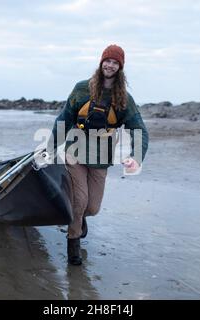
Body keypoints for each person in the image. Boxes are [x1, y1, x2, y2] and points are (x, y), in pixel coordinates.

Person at [48, 44, 149, 265]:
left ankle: (81, 218)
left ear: (120, 67)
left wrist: (136, 156)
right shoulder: (82, 89)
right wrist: (50, 148)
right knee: (79, 201)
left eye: (115, 62)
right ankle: (73, 246)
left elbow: (139, 129)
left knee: (92, 207)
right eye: (107, 61)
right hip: (75, 152)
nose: (110, 65)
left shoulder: (124, 99)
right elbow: (64, 119)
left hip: (101, 158)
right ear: (101, 62)